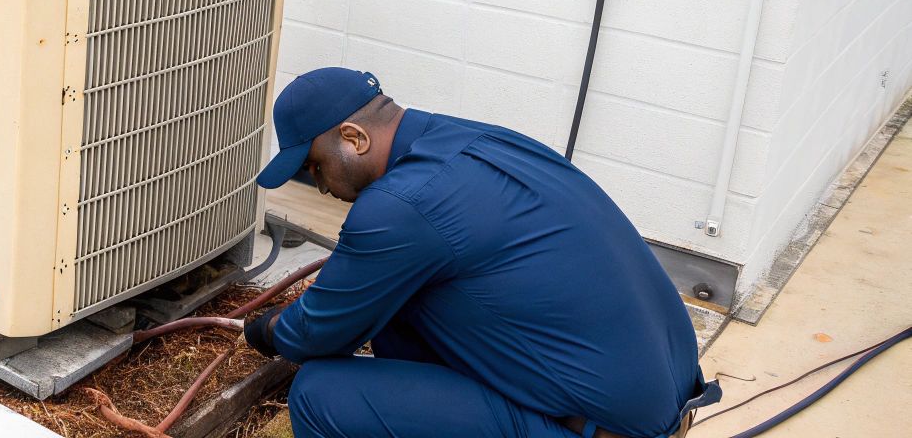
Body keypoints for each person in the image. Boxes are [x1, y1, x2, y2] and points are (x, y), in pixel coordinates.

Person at [243, 68, 719, 438]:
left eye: (314, 167)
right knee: (405, 308)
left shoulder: (400, 205)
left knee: (320, 394)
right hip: (662, 394)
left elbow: (314, 335)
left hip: (617, 428)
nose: (320, 185)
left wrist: (267, 329)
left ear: (354, 137)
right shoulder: (477, 140)